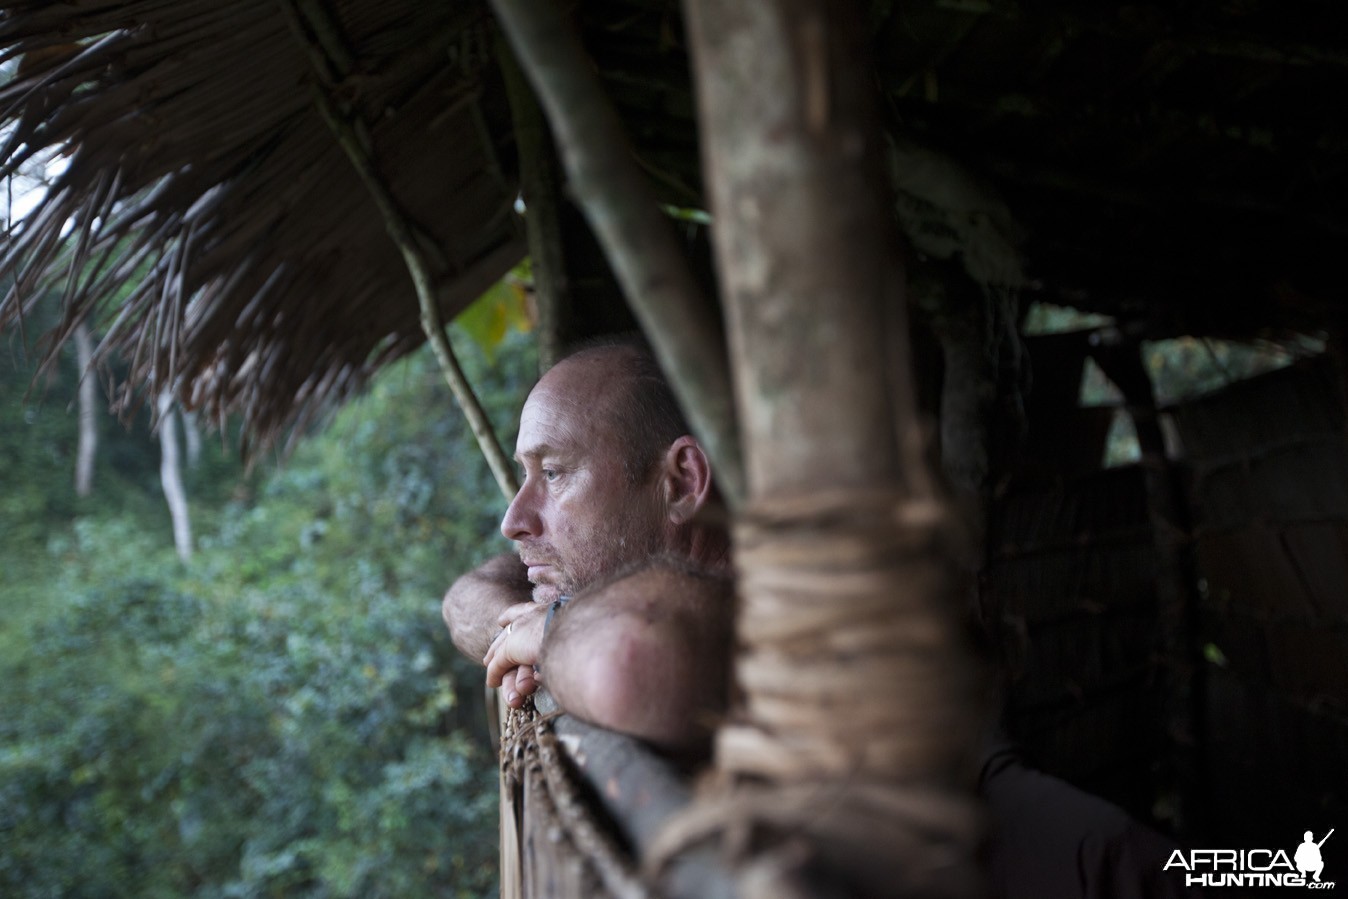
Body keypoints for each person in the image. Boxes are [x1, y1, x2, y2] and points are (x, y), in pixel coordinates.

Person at [442, 337, 1193, 896]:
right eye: (522, 476)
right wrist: (516, 616)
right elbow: (470, 592)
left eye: (555, 472)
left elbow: (632, 653)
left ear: (681, 481)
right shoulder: (604, 580)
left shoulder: (785, 605)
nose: (515, 517)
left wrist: (549, 627)